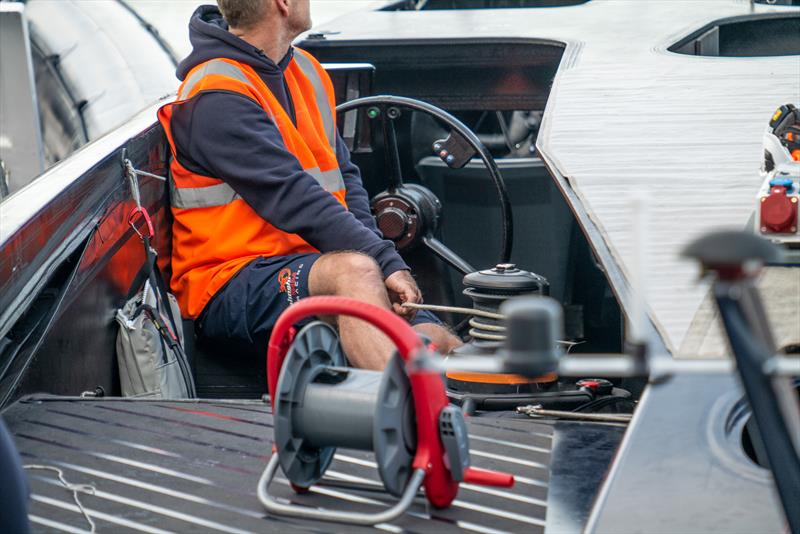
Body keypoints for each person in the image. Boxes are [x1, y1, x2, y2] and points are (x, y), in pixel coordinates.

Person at [158, 0, 461, 370]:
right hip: (227, 284)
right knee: (353, 272)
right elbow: (293, 197)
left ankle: (474, 414)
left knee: (438, 340)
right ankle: (412, 415)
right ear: (282, 4)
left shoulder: (307, 71)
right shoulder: (214, 96)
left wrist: (381, 260)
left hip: (311, 264)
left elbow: (346, 182)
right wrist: (382, 261)